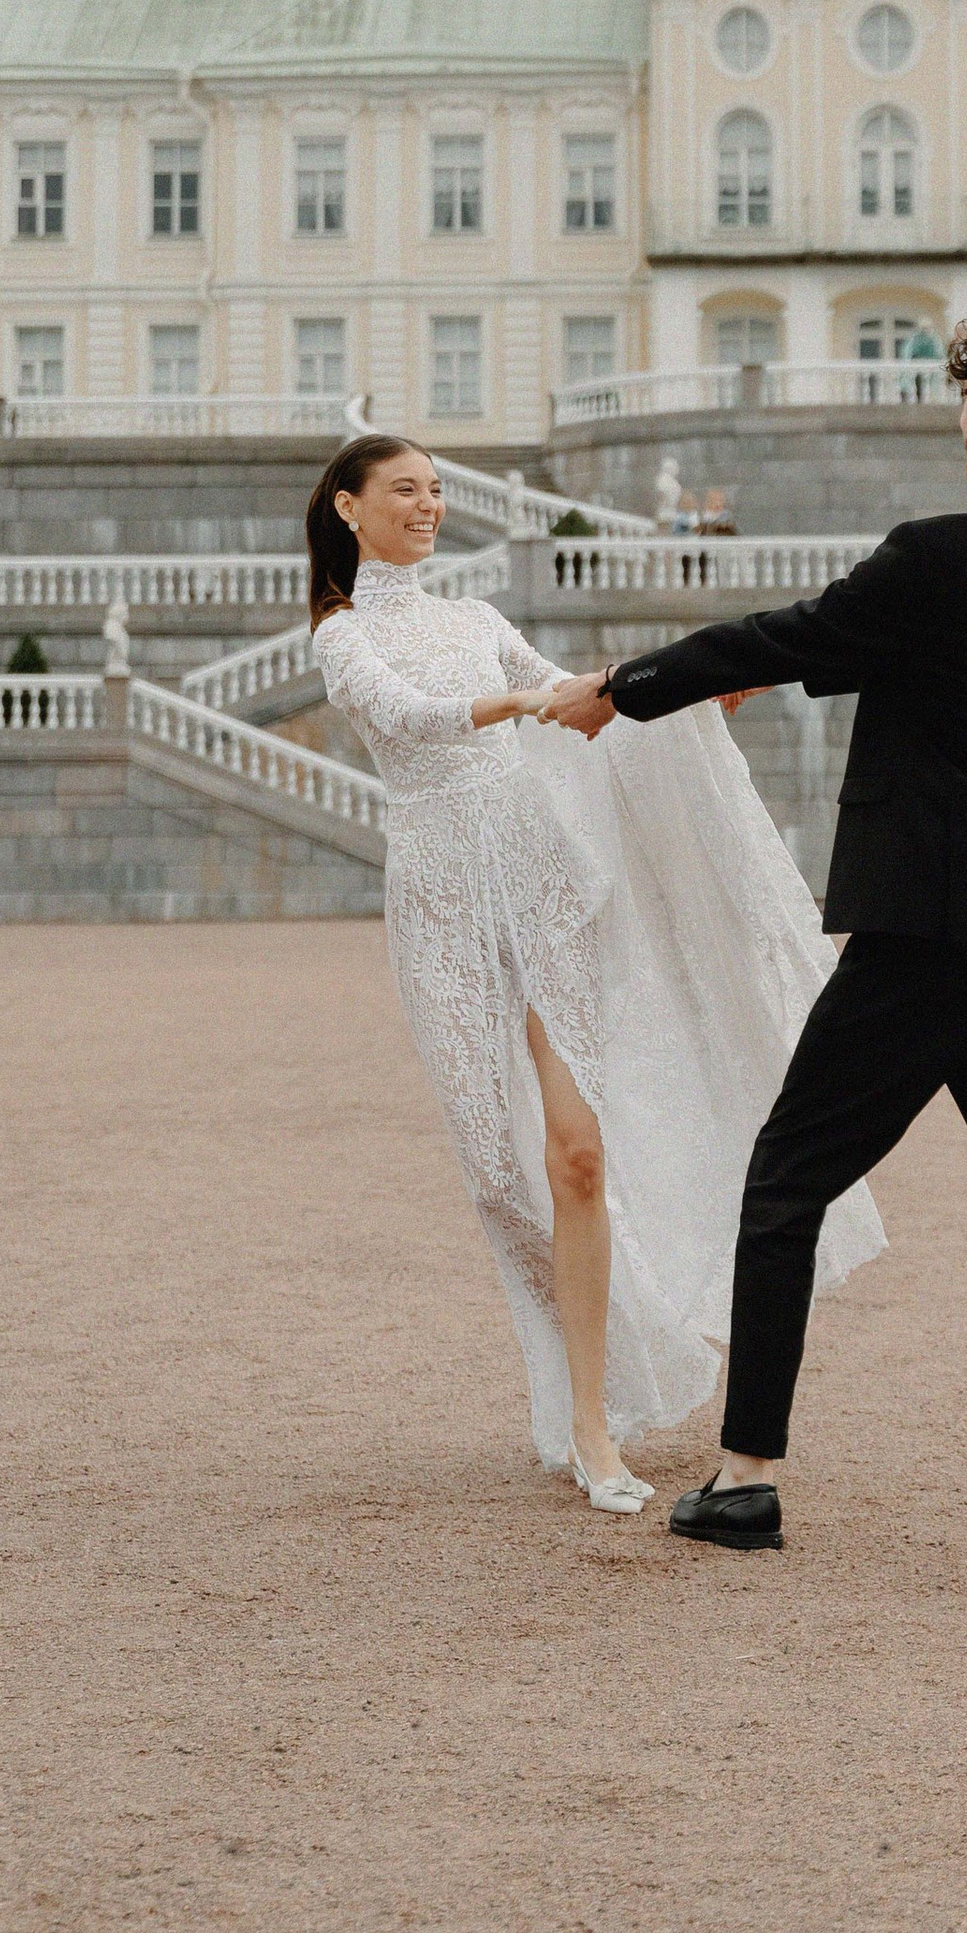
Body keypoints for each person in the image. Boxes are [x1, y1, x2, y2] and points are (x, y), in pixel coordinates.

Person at [542, 302, 967, 1569]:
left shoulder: (933, 554)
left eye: (962, 400)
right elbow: (896, 663)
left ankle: (748, 1475)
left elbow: (795, 638)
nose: (959, 419)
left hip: (930, 932)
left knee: (784, 1178)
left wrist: (623, 688)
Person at [306, 434, 881, 1515]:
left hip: (534, 875)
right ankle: (586, 1359)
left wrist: (680, 694)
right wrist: (521, 709)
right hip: (442, 903)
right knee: (500, 1172)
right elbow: (404, 717)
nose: (427, 506)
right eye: (404, 491)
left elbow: (571, 694)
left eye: (435, 490)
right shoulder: (341, 634)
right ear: (347, 507)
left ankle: (590, 1427)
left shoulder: (475, 619)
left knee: (575, 1155)